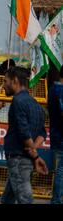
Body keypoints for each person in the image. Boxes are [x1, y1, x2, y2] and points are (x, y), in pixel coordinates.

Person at [0, 66, 48, 204]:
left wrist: (34, 154)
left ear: (15, 80)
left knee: (24, 198)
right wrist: (34, 150)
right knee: (7, 199)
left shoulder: (18, 101)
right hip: (25, 158)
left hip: (18, 157)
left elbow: (23, 131)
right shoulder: (35, 104)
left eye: (5, 81)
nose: (4, 85)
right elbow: (42, 133)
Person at [47, 66, 63, 204]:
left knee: (59, 169)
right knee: (61, 170)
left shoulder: (52, 90)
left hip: (55, 134)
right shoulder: (61, 91)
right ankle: (57, 199)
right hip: (61, 135)